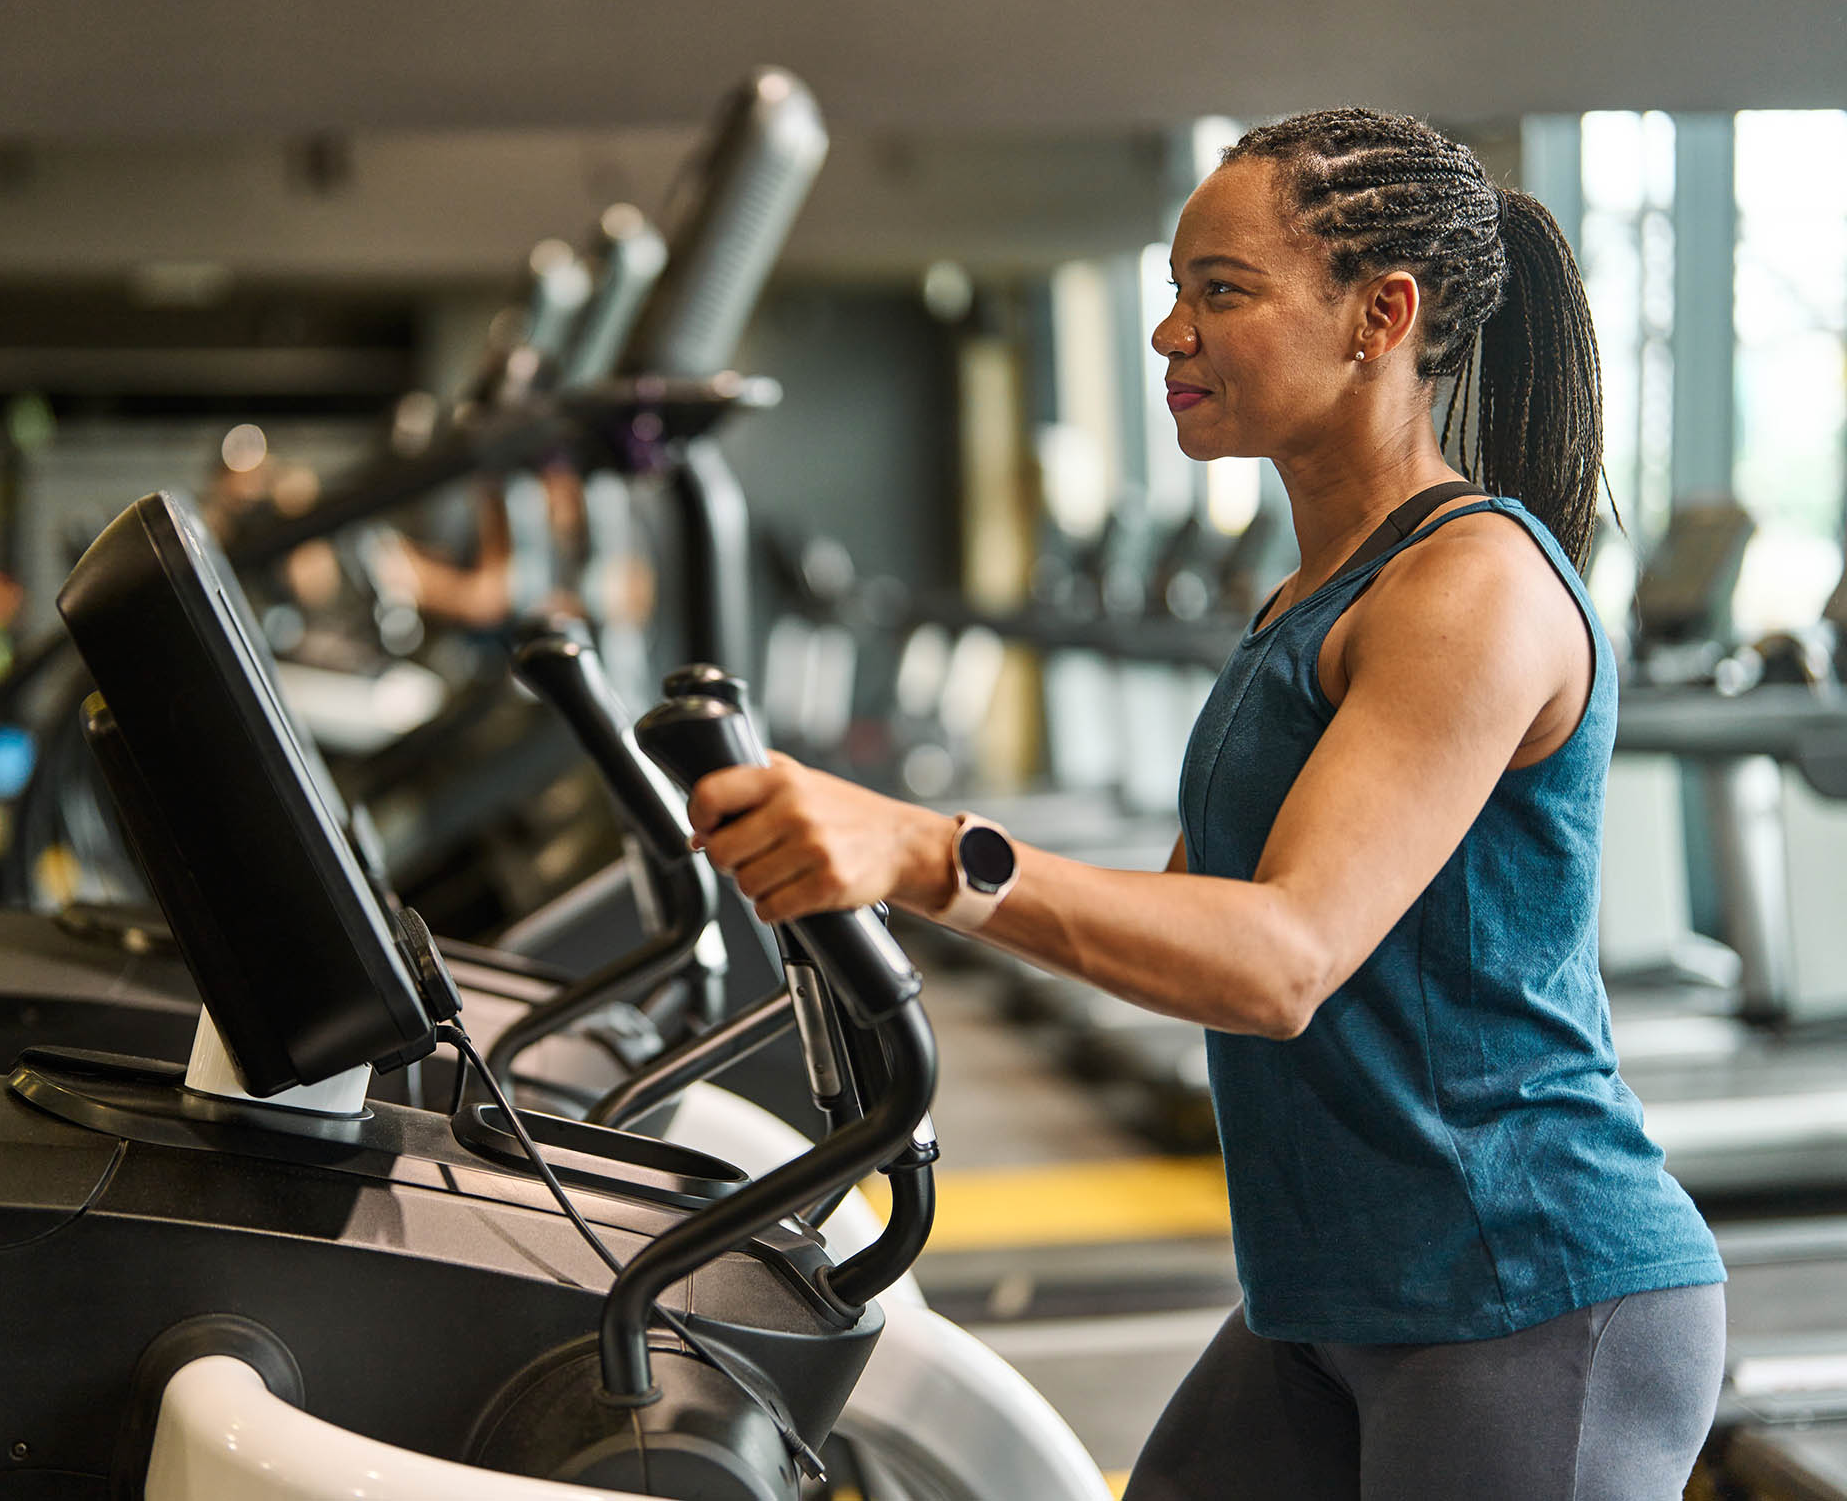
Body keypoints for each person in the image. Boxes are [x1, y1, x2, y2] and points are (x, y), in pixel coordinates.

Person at [682, 109, 1726, 1499]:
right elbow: (1186, 928)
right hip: (1330, 1295)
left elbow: (1280, 959)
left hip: (1524, 1289)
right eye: (1171, 294)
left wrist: (930, 853)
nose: (1171, 333)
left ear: (1382, 313)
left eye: (1220, 293)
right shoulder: (1304, 599)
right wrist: (889, 864)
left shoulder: (1472, 587)